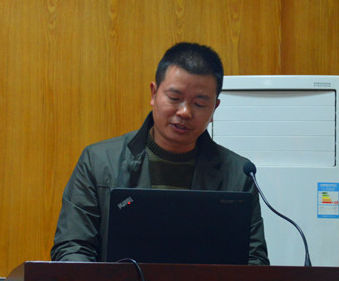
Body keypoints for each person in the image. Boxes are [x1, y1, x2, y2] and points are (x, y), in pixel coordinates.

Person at [51, 42, 269, 265]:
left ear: (215, 108)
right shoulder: (99, 162)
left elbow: (254, 260)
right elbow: (72, 247)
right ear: (154, 94)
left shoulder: (239, 175)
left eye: (199, 103)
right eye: (174, 98)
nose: (185, 112)